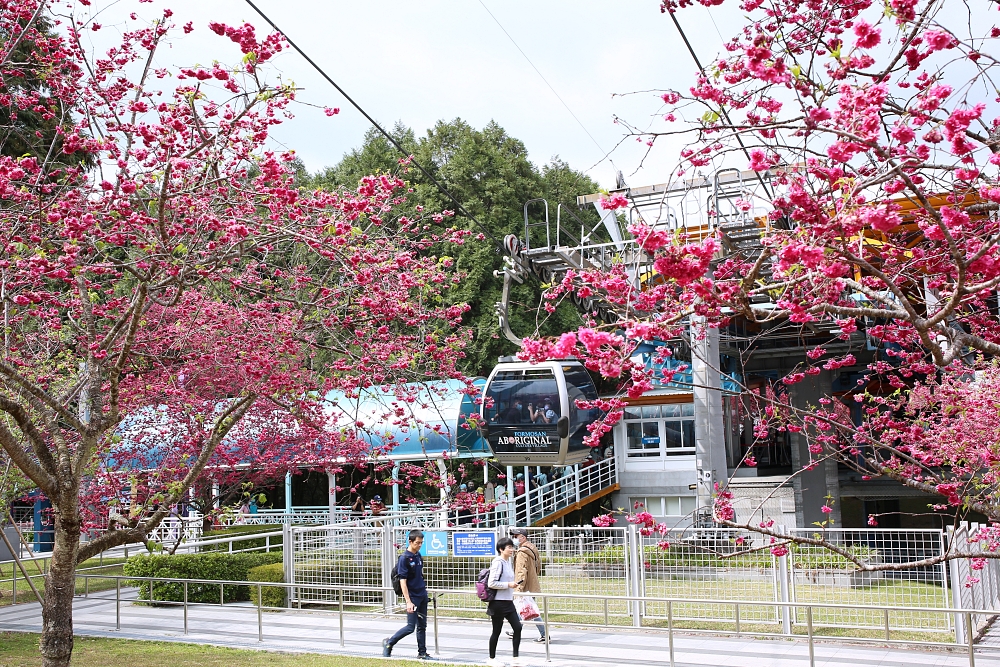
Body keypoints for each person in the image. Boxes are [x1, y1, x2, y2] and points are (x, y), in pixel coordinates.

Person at [383, 530, 434, 661]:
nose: (420, 545)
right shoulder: (404, 558)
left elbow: (418, 576)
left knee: (422, 626)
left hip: (422, 595)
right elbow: (403, 582)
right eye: (417, 543)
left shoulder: (418, 555)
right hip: (412, 597)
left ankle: (422, 653)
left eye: (421, 543)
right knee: (410, 627)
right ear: (410, 541)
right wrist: (408, 601)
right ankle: (389, 643)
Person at [486, 537, 522, 667]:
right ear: (501, 549)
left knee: (518, 627)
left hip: (508, 601)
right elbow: (492, 583)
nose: (512, 549)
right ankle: (491, 658)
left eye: (512, 547)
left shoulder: (507, 562)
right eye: (509, 547)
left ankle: (515, 657)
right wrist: (508, 584)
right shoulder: (498, 562)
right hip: (498, 602)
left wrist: (513, 585)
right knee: (496, 630)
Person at [509, 528, 548, 643]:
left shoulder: (521, 552)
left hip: (524, 586)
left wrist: (518, 589)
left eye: (516, 536)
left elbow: (521, 571)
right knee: (524, 609)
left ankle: (544, 634)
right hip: (532, 583)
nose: (514, 538)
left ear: (523, 537)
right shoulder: (532, 548)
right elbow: (538, 565)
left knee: (531, 610)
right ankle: (515, 630)